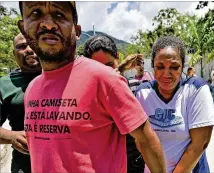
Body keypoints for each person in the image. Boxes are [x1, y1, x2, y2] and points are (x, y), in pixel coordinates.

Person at [18, 1, 166, 173]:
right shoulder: (32, 89)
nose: (48, 24)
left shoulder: (105, 79)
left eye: (59, 15)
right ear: (23, 27)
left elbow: (146, 140)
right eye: (36, 13)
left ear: (77, 30)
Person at [135, 36, 214, 173]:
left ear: (183, 65)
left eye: (174, 67)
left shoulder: (196, 89)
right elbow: (141, 141)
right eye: (160, 67)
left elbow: (200, 142)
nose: (166, 74)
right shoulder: (143, 93)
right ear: (153, 67)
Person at [84, 35, 145, 173]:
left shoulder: (134, 89)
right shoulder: (83, 97)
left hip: (133, 164)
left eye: (109, 65)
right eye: (98, 68)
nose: (105, 73)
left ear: (117, 58)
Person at [0, 33, 41, 173]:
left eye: (34, 44)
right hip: (24, 166)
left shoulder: (63, 77)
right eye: (22, 46)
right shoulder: (4, 86)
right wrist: (13, 137)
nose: (29, 49)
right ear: (14, 53)